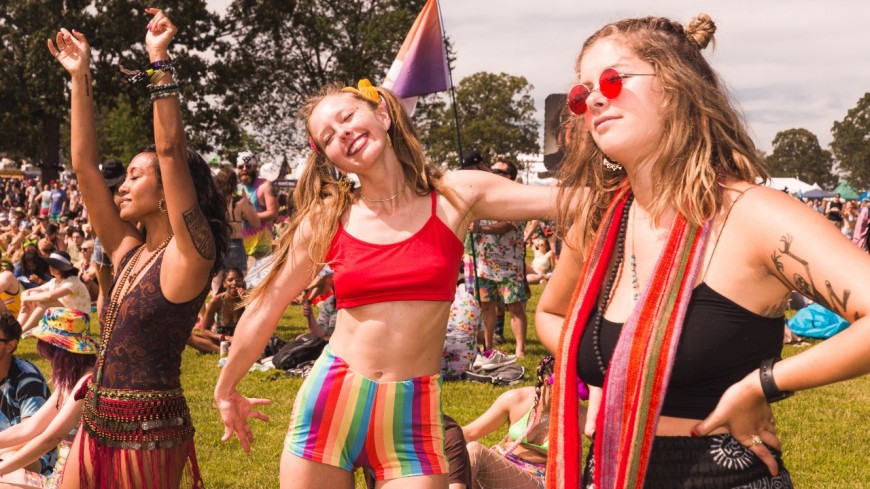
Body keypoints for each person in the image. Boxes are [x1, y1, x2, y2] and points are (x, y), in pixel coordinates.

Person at [535, 13, 870, 489]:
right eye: (580, 93)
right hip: (607, 472)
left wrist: (764, 383)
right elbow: (550, 314)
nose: (592, 100)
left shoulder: (750, 215)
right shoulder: (601, 221)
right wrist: (614, 376)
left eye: (611, 80)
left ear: (676, 87)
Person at [215, 78, 555, 488]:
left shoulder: (456, 194)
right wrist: (226, 389)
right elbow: (266, 305)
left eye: (347, 117)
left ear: (382, 114)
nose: (342, 133)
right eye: (328, 137)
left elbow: (569, 200)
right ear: (329, 157)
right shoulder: (328, 217)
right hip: (329, 405)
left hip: (413, 420)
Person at [49, 8, 229, 487]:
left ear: (170, 189)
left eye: (134, 176)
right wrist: (80, 76)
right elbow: (84, 167)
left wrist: (158, 59)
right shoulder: (129, 250)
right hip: (96, 420)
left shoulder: (190, 256)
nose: (122, 187)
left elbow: (170, 151)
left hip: (148, 433)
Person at [0, 310, 96, 488]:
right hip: (63, 473)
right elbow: (30, 426)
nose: (41, 351)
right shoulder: (69, 380)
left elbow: (50, 438)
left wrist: (1, 469)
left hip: (78, 478)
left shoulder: (86, 383)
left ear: (57, 350)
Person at [462, 357, 558, 489]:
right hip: (502, 468)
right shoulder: (517, 399)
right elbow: (470, 432)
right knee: (464, 448)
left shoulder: (577, 414)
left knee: (475, 451)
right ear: (547, 383)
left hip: (537, 478)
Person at [469, 159, 530, 358]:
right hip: (485, 265)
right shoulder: (486, 198)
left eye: (497, 171)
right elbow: (473, 221)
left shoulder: (518, 199)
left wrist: (480, 229)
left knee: (515, 308)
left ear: (509, 176)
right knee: (486, 306)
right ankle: (487, 347)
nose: (492, 173)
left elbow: (506, 225)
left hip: (509, 265)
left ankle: (520, 350)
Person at [0, 313, 53, 478]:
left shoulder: (28, 379)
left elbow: (32, 436)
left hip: (31, 457)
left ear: (10, 346)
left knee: (10, 457)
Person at [17, 251, 90, 333]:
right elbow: (28, 291)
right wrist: (25, 300)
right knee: (33, 294)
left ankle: (22, 331)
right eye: (51, 264)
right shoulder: (54, 281)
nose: (51, 267)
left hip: (79, 323)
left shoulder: (73, 281)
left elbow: (50, 296)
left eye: (56, 265)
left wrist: (26, 299)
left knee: (47, 302)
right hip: (66, 319)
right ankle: (17, 328)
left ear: (63, 268)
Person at [235, 151, 277, 287]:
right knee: (240, 285)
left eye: (248, 166)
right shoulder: (237, 188)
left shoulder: (265, 186)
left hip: (261, 246)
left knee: (259, 285)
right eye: (241, 166)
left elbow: (273, 213)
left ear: (255, 166)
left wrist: (249, 216)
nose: (244, 169)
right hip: (240, 245)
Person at [215, 167, 260, 274]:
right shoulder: (241, 201)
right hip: (236, 245)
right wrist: (248, 202)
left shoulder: (214, 200)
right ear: (234, 182)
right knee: (239, 279)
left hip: (218, 244)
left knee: (217, 280)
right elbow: (256, 223)